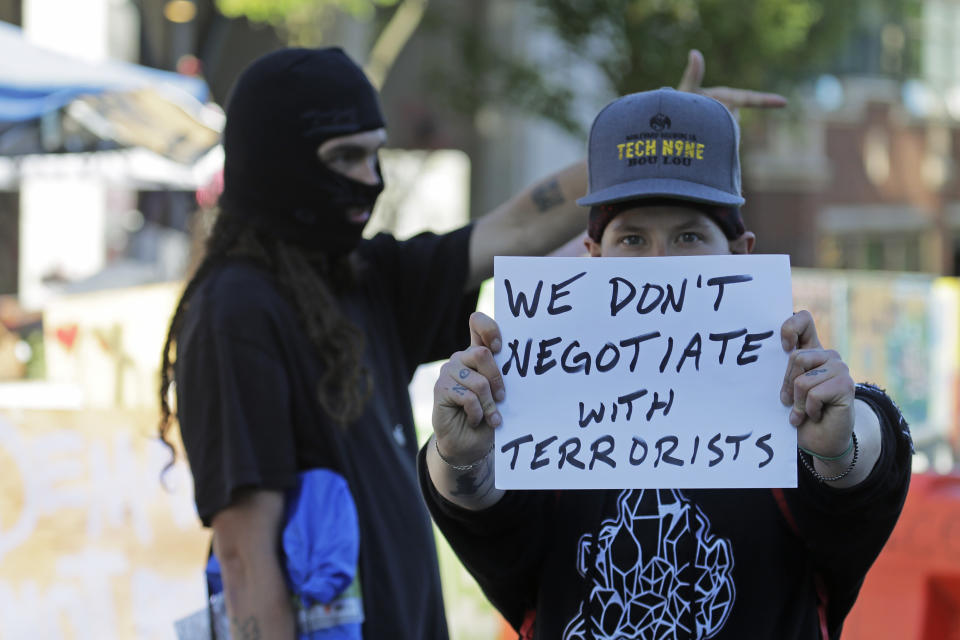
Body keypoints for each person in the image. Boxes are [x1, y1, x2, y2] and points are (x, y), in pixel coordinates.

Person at [158, 47, 786, 639]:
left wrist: (657, 147)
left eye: (377, 155)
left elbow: (517, 223)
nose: (369, 179)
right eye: (345, 158)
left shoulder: (362, 278)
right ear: (277, 161)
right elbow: (243, 555)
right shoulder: (233, 312)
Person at [421, 88, 913, 640]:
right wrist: (457, 453)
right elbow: (482, 514)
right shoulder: (536, 408)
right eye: (633, 238)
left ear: (741, 255)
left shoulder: (796, 408)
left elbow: (868, 460)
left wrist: (839, 442)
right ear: (594, 258)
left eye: (688, 236)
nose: (660, 266)